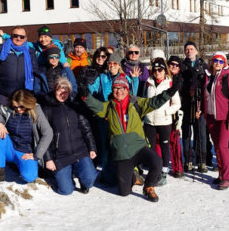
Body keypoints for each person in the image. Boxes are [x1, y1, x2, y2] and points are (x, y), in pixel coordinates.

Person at [78, 72, 184, 202]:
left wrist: (171, 91)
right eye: (116, 88)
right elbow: (94, 105)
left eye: (122, 88)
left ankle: (149, 186)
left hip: (139, 149)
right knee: (124, 192)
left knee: (157, 161)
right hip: (122, 155)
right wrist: (84, 93)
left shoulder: (137, 103)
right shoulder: (108, 107)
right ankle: (134, 176)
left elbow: (155, 101)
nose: (119, 91)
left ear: (127, 89)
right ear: (112, 90)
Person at [87, 53, 139, 184]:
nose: (112, 66)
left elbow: (133, 94)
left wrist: (135, 80)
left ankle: (127, 172)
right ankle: (107, 173)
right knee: (106, 145)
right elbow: (92, 91)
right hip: (105, 115)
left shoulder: (125, 77)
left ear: (119, 65)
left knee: (121, 144)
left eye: (115, 63)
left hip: (120, 115)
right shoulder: (102, 77)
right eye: (110, 63)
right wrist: (88, 83)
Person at [41, 77, 98, 195]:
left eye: (66, 91)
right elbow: (44, 136)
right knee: (66, 190)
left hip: (80, 151)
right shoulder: (47, 109)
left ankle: (82, 177)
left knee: (89, 181)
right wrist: (48, 159)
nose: (63, 94)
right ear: (55, 91)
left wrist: (92, 148)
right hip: (61, 156)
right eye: (60, 90)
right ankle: (66, 175)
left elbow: (86, 130)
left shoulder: (75, 107)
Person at [0, 89, 53, 184]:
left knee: (29, 177)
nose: (18, 109)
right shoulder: (7, 110)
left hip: (25, 152)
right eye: (15, 107)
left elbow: (48, 133)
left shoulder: (36, 111)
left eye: (22, 106)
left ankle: (18, 165)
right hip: (10, 149)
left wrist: (37, 155)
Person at [196, 52, 229, 190]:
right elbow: (205, 96)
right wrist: (201, 109)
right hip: (211, 116)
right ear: (212, 62)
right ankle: (221, 174)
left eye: (221, 61)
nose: (218, 63)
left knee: (222, 146)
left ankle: (227, 178)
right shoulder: (208, 77)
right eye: (216, 61)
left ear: (224, 63)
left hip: (224, 118)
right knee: (217, 147)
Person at [143, 58, 181, 186]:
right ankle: (155, 171)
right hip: (150, 122)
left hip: (164, 121)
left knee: (165, 148)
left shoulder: (169, 84)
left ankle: (164, 173)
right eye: (155, 70)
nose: (157, 72)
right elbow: (144, 101)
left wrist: (166, 112)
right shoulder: (148, 83)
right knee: (151, 149)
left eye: (160, 70)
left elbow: (177, 104)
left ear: (164, 70)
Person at [180, 41, 208, 173]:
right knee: (186, 133)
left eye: (191, 49)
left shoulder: (203, 65)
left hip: (200, 104)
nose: (189, 51)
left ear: (196, 51)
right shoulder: (181, 66)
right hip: (186, 104)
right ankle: (188, 160)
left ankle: (202, 161)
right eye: (187, 49)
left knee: (201, 133)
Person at [0, 26, 39, 104]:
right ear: (11, 36)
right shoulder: (1, 49)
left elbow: (35, 71)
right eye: (16, 36)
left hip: (23, 94)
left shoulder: (30, 52)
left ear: (26, 38)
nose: (18, 38)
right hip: (4, 94)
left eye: (22, 37)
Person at [0, 25, 70, 68]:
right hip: (41, 74)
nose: (43, 39)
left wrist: (65, 65)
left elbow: (64, 63)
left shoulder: (56, 48)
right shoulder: (35, 47)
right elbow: (20, 40)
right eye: (41, 37)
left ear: (50, 38)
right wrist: (4, 35)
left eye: (45, 37)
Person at [166, 55, 185, 178]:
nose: (173, 66)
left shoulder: (180, 80)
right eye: (171, 64)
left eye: (176, 65)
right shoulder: (163, 77)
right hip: (162, 113)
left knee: (175, 141)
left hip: (175, 113)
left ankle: (178, 168)